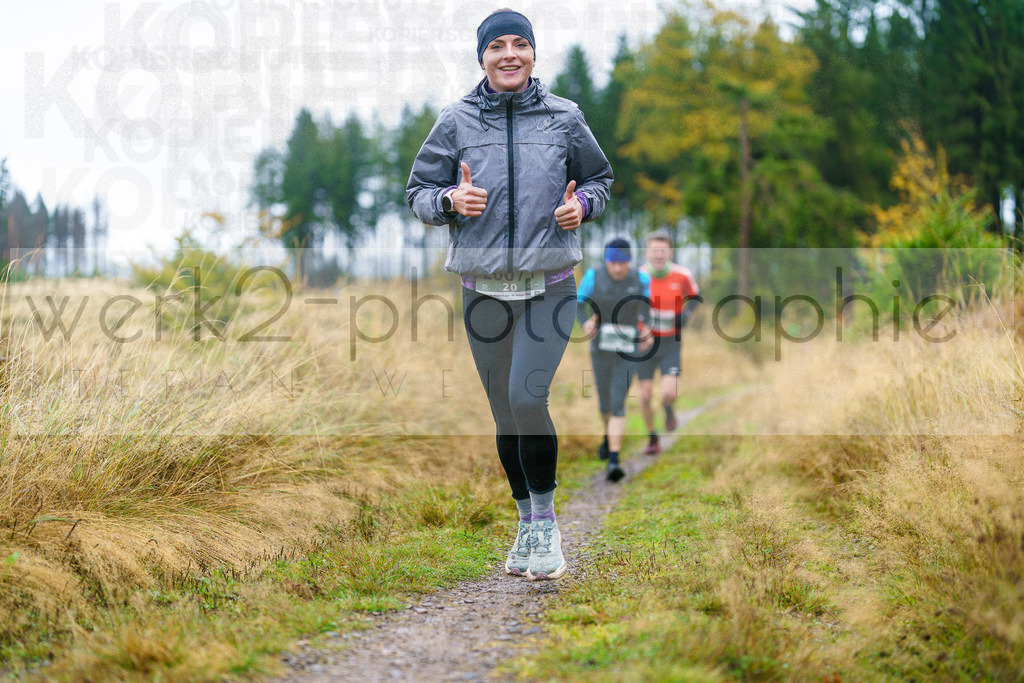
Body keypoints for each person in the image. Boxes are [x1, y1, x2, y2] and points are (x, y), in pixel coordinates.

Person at [406, 9, 613, 581]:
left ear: (533, 54)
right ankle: (524, 524)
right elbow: (418, 192)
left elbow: (600, 181)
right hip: (484, 290)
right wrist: (450, 200)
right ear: (482, 58)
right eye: (497, 45)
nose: (509, 54)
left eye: (520, 44)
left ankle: (546, 527)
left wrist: (583, 207)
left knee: (527, 399)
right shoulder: (455, 120)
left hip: (550, 283)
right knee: (504, 413)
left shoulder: (565, 117)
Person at [577, 238, 652, 481]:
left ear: (629, 261)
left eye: (622, 263)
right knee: (604, 403)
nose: (617, 269)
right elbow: (579, 304)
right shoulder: (593, 276)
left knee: (618, 401)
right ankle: (608, 436)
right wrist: (586, 322)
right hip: (600, 347)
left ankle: (614, 460)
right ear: (606, 261)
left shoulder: (641, 279)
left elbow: (647, 309)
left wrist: (647, 329)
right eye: (613, 263)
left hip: (628, 349)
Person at [636, 230, 700, 455]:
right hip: (645, 342)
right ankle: (653, 438)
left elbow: (695, 297)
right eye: (654, 250)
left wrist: (686, 314)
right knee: (644, 395)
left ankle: (668, 409)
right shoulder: (639, 276)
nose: (659, 255)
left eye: (663, 250)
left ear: (669, 252)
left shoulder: (682, 275)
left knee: (669, 392)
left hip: (671, 342)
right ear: (647, 252)